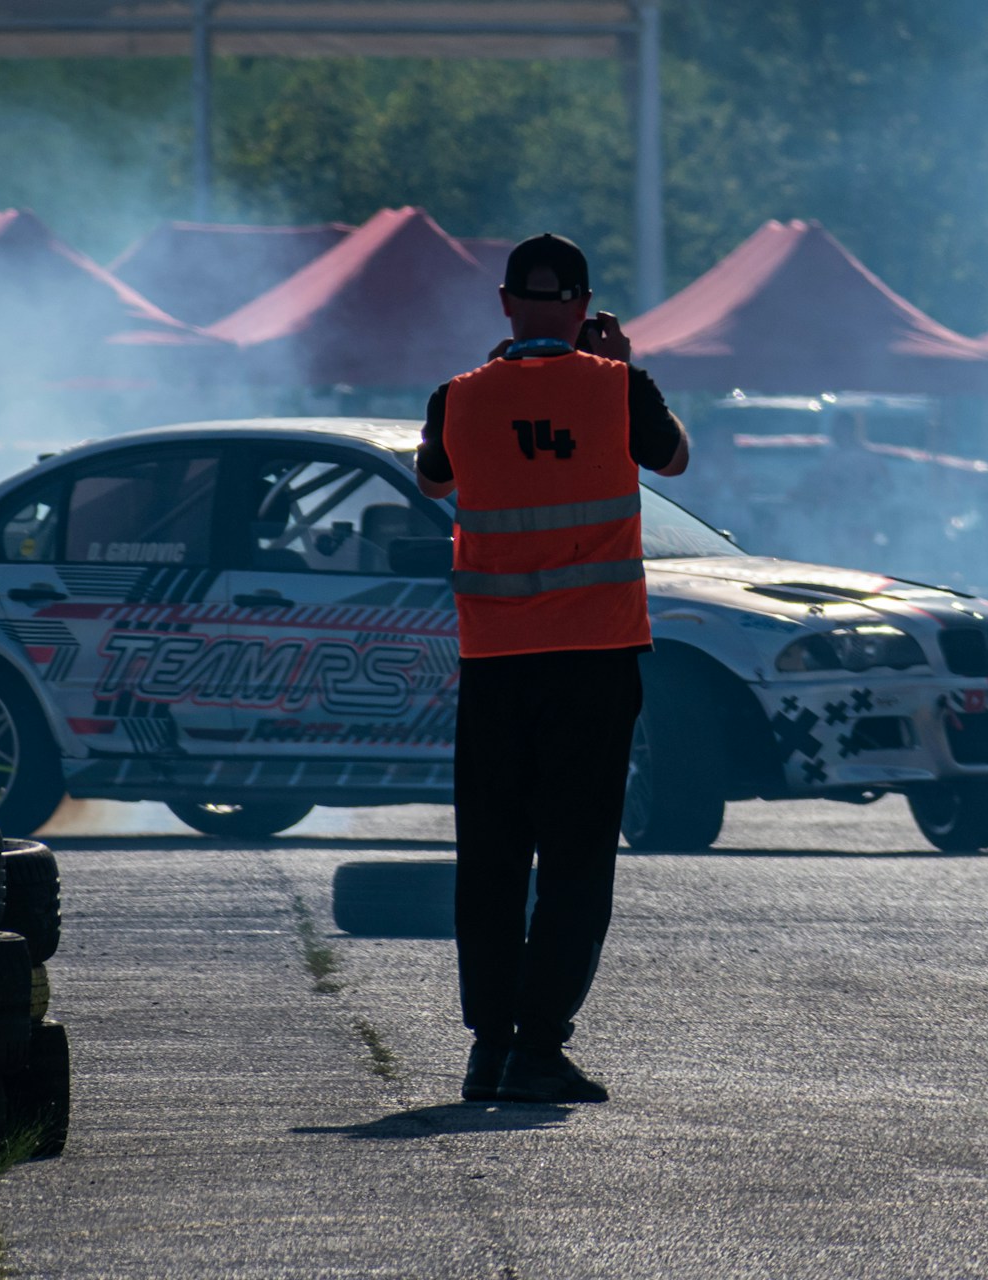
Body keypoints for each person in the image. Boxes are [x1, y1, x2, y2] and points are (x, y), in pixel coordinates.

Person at [416, 233, 690, 1104]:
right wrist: (623, 365)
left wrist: (504, 376)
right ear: (581, 307)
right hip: (594, 659)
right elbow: (674, 456)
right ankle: (540, 1045)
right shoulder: (615, 387)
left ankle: (489, 1046)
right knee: (575, 861)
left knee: (492, 858)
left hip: (495, 662)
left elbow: (434, 478)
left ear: (504, 305)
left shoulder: (457, 396)